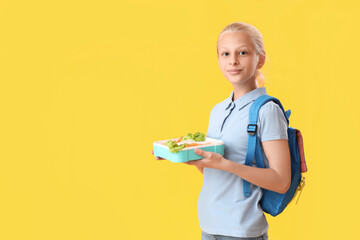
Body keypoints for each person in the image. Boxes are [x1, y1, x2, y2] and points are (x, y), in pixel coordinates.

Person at [152, 21, 291, 240]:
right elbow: (216, 172)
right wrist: (188, 157)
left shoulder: (267, 110)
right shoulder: (217, 111)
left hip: (242, 230)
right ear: (218, 59)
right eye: (225, 53)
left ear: (260, 59)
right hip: (208, 226)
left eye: (242, 52)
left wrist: (225, 164)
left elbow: (281, 181)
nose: (233, 61)